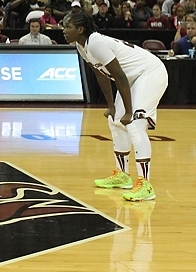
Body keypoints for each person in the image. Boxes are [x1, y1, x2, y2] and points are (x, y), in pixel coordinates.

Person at [63, 11, 169, 202]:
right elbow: (101, 75)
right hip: (132, 79)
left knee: (135, 125)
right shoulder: (81, 46)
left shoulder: (95, 43)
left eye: (68, 27)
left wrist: (129, 111)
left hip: (150, 72)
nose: (63, 30)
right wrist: (112, 107)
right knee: (115, 122)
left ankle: (145, 185)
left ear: (80, 29)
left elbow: (119, 76)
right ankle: (123, 175)